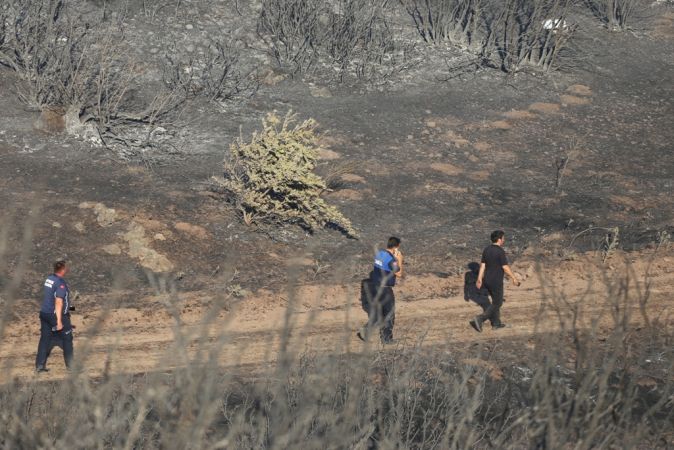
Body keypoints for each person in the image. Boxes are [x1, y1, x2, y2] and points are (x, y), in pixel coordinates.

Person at [470, 231, 520, 332]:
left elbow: (483, 265)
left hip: (487, 280)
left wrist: (479, 279)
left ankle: (496, 324)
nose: (504, 240)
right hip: (496, 281)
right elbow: (505, 267)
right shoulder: (500, 251)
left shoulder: (486, 250)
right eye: (503, 238)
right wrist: (514, 278)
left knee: (495, 302)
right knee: (498, 303)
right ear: (499, 239)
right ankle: (480, 318)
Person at [357, 237, 403, 344]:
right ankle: (386, 339)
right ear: (396, 247)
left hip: (375, 287)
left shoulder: (380, 254)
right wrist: (399, 259)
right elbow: (399, 273)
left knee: (379, 314)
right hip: (385, 289)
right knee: (389, 314)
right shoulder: (392, 259)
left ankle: (366, 330)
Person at [35, 260, 74, 372]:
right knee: (67, 339)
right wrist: (59, 321)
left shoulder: (49, 279)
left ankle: (39, 366)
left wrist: (72, 308)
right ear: (63, 270)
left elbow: (51, 299)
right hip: (56, 314)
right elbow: (58, 302)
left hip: (44, 313)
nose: (68, 269)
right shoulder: (60, 283)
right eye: (66, 268)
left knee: (44, 339)